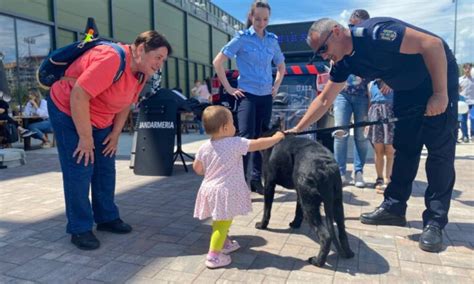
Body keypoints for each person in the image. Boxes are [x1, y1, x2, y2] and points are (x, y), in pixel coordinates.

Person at [290, 17, 458, 253]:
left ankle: (435, 221)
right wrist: (298, 128)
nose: (324, 56)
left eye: (324, 49)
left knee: (439, 153)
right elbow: (325, 98)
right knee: (405, 148)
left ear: (336, 32)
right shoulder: (344, 63)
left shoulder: (376, 34)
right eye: (319, 53)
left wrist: (441, 93)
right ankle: (394, 208)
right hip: (408, 90)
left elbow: (432, 45)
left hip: (437, 77)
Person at [47, 30, 172, 250]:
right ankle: (80, 228)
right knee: (80, 166)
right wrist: (85, 139)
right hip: (68, 109)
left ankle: (106, 217)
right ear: (141, 49)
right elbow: (78, 95)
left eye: (163, 60)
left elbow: (125, 104)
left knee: (105, 166)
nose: (160, 64)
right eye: (158, 58)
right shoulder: (112, 58)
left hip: (101, 118)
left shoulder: (142, 73)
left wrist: (115, 135)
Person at [193, 105, 285, 268]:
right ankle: (213, 256)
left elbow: (198, 169)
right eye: (233, 123)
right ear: (225, 128)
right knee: (222, 223)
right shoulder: (235, 143)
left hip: (210, 189)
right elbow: (258, 144)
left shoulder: (204, 146)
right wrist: (277, 137)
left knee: (220, 219)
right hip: (225, 191)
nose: (235, 127)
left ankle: (225, 243)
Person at [213, 1, 286, 195]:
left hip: (266, 97)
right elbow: (217, 62)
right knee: (244, 140)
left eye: (265, 19)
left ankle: (256, 180)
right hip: (247, 96)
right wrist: (229, 88)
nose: (261, 23)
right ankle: (239, 182)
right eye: (257, 18)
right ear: (251, 17)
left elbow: (281, 67)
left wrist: (276, 86)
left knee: (262, 138)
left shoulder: (272, 40)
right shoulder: (242, 39)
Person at [333, 74, 369, 187]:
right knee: (340, 134)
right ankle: (340, 172)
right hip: (341, 94)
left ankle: (359, 172)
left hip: (364, 95)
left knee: (361, 136)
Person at [366, 79, 395, 193]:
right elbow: (369, 103)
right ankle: (379, 178)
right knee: (378, 150)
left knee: (390, 150)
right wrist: (367, 122)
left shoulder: (394, 81)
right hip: (375, 117)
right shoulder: (371, 84)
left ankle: (389, 179)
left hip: (391, 117)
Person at [459, 63, 473, 142]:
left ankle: (473, 134)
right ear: (464, 69)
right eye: (467, 68)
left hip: (472, 102)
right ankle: (465, 136)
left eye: (470, 68)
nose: (468, 70)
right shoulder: (460, 79)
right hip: (463, 103)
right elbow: (457, 90)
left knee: (473, 119)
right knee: (463, 120)